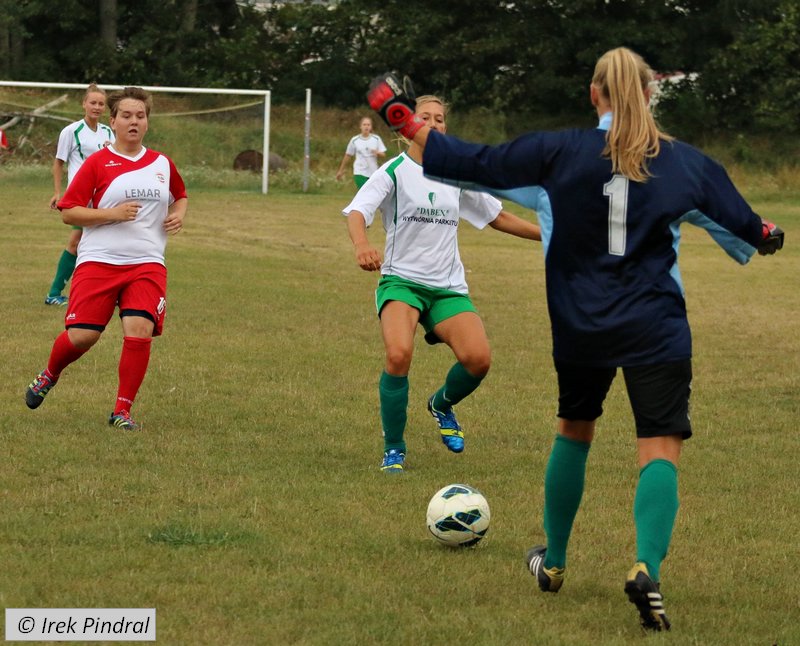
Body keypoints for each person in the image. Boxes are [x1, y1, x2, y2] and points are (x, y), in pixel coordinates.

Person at [367, 48, 784, 631]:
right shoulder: (685, 164)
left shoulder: (555, 152)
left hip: (580, 325)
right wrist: (767, 234)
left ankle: (555, 563)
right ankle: (646, 565)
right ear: (649, 95)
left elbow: (468, 162)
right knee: (659, 445)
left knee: (575, 430)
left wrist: (403, 119)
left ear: (595, 96)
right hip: (656, 325)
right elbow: (751, 230)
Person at [343, 94, 541, 473]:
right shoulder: (394, 172)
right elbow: (357, 212)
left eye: (440, 119)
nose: (434, 125)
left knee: (478, 360)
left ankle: (442, 404)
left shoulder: (456, 175)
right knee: (398, 355)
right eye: (426, 118)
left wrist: (550, 236)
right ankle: (395, 449)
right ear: (407, 127)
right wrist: (362, 244)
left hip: (447, 286)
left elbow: (498, 217)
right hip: (402, 282)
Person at [25, 86, 188, 431]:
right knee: (83, 336)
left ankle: (122, 411)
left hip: (147, 262)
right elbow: (69, 213)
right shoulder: (98, 163)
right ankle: (49, 374)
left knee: (139, 331)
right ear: (112, 121)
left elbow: (181, 195)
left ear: (147, 123)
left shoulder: (162, 163)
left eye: (140, 116)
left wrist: (178, 213)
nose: (133, 121)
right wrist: (111, 214)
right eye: (126, 115)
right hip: (99, 261)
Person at [45, 83, 115, 306]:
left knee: (105, 242)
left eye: (101, 104)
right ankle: (54, 293)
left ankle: (107, 293)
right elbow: (58, 164)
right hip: (81, 197)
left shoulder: (108, 132)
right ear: (84, 104)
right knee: (77, 242)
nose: (96, 107)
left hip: (103, 196)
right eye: (92, 102)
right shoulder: (71, 131)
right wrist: (59, 193)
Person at [336, 116, 387, 188]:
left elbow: (383, 154)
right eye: (364, 124)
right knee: (364, 193)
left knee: (372, 195)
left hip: (373, 172)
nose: (366, 127)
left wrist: (378, 152)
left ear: (371, 127)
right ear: (360, 126)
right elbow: (348, 155)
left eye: (368, 125)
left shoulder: (376, 139)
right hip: (359, 172)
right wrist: (340, 170)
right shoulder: (355, 140)